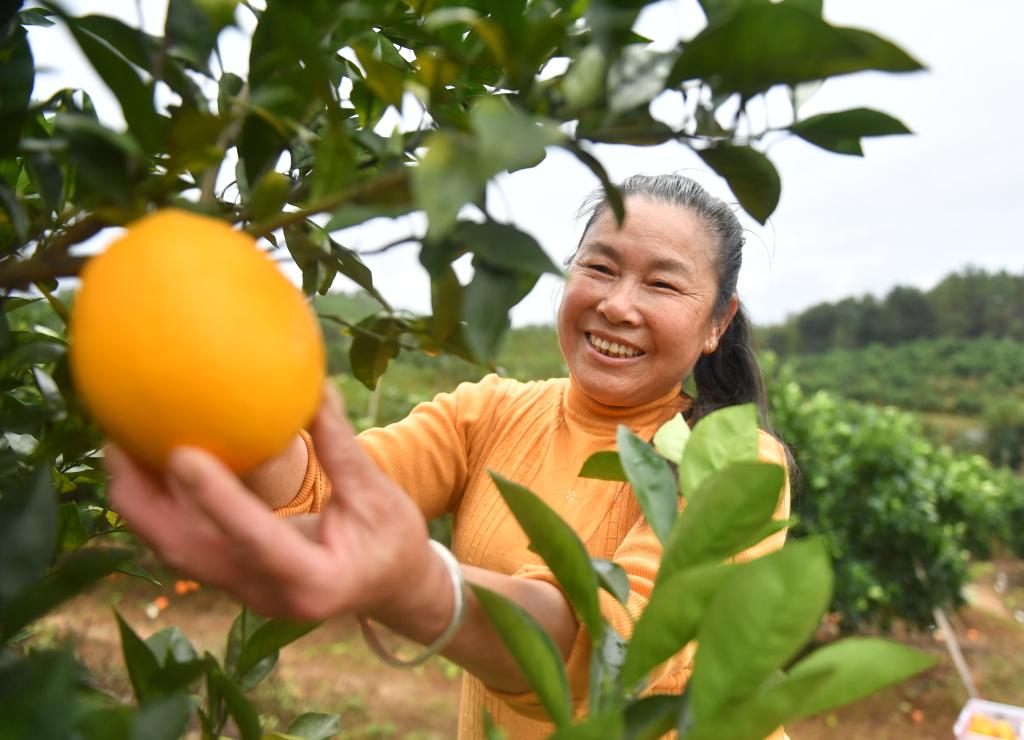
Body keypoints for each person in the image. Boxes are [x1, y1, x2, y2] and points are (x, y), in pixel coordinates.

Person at [105, 174, 791, 740]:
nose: (617, 305)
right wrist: (229, 377)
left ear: (717, 323)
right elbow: (322, 493)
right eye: (600, 268)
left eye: (662, 285)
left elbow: (617, 648)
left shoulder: (734, 465)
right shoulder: (489, 415)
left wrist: (418, 584)